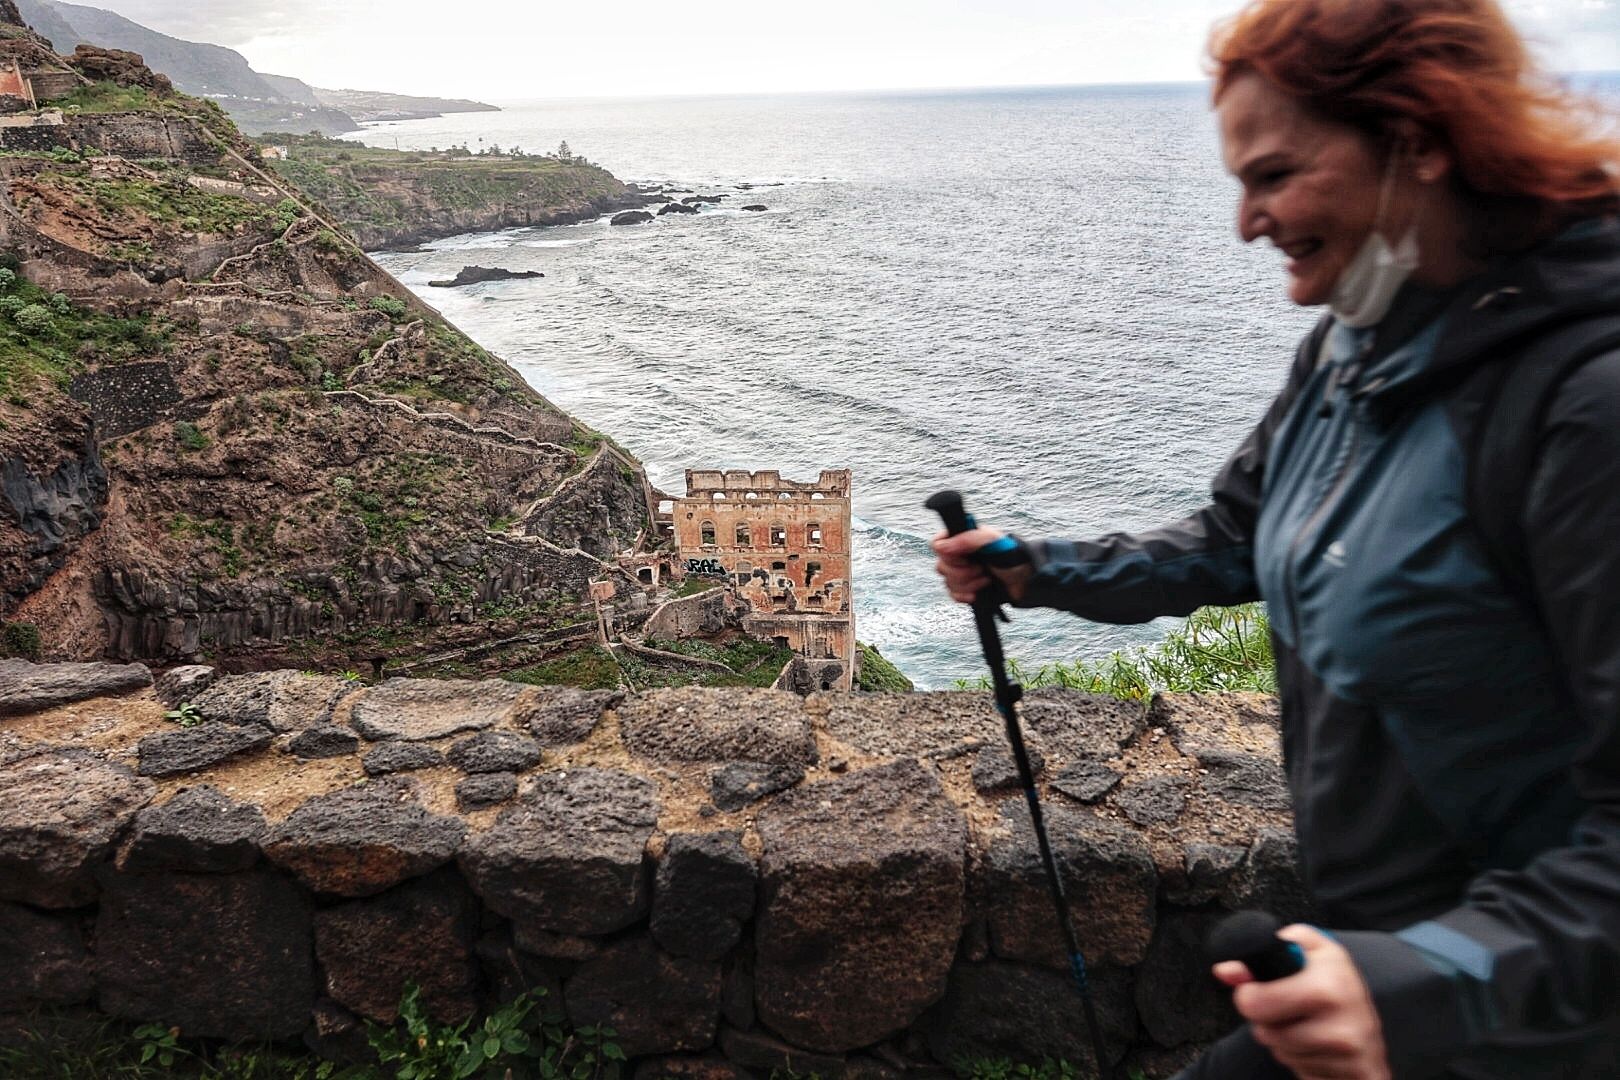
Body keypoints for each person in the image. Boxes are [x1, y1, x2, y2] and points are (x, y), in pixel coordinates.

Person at [932, 1, 1620, 1077]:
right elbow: (1234, 537)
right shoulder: (1350, 356)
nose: (1247, 223)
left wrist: (1424, 985)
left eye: (1273, 175)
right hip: (1375, 984)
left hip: (1521, 1025)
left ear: (1421, 142)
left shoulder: (1588, 403)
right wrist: (1041, 568)